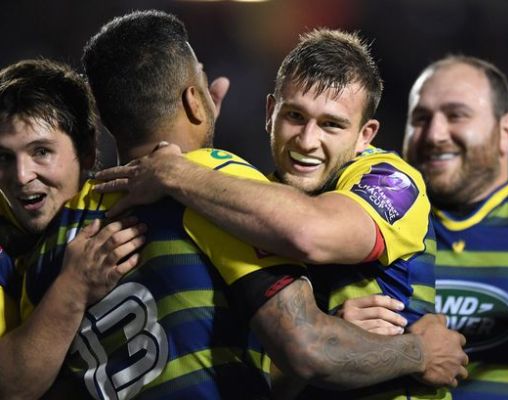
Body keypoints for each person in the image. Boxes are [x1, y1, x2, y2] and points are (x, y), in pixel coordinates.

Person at [19, 11, 468, 400]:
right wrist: (404, 348)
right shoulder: (227, 192)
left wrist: (177, 171)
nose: (307, 140)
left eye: (331, 125)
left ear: (365, 135)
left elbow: (310, 232)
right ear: (269, 112)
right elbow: (297, 359)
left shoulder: (389, 178)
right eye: (294, 116)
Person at [399, 55, 508, 399]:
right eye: (421, 118)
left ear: (506, 132)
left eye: (456, 115)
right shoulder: (377, 222)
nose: (434, 134)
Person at [0, 59, 146, 399]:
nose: (21, 175)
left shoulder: (139, 200)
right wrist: (74, 287)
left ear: (88, 149)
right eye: (4, 157)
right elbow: (9, 387)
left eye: (41, 152)